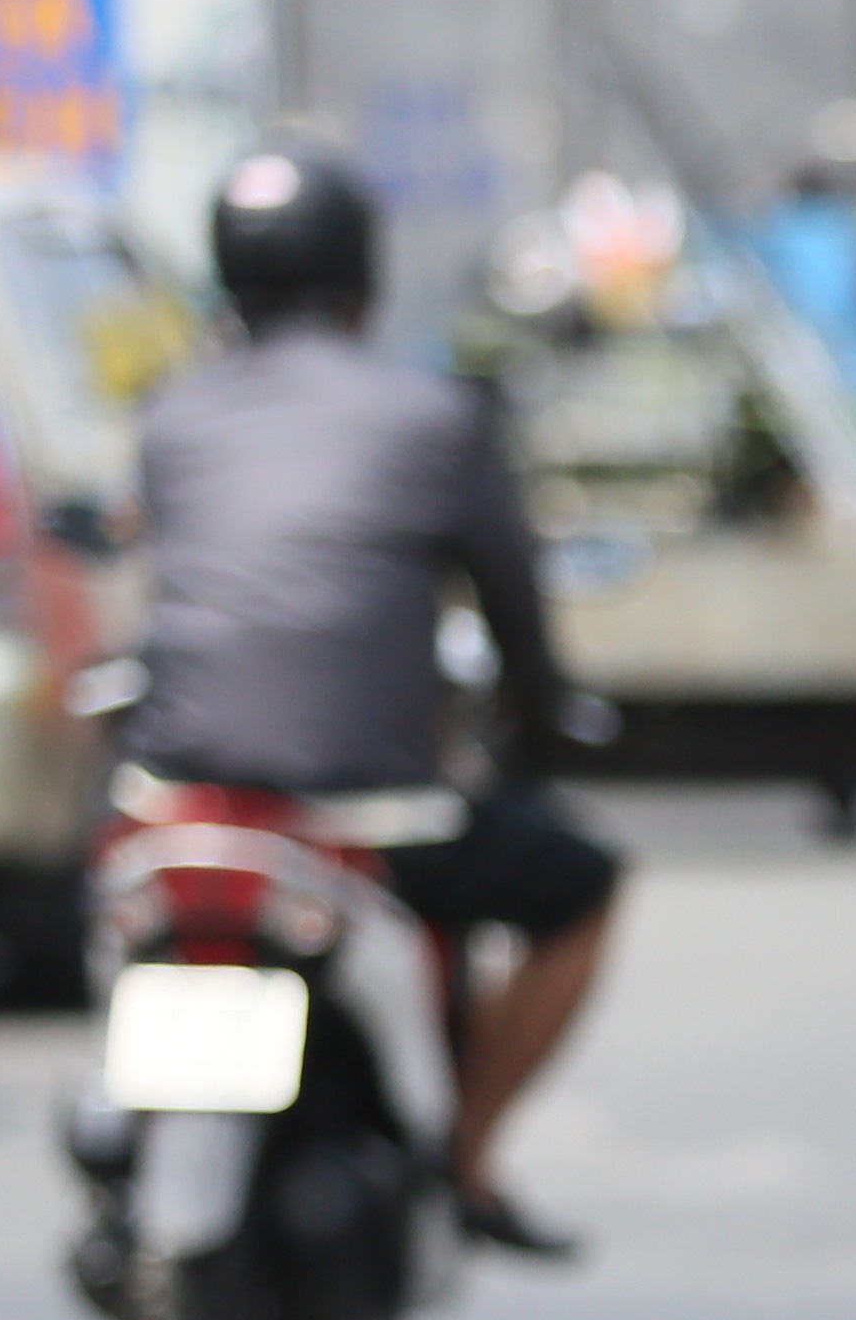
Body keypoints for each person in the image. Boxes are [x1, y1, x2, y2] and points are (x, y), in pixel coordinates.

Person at [132, 143, 618, 1259]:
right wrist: (547, 720)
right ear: (363, 275)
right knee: (583, 886)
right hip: (367, 823)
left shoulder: (170, 419)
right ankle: (471, 1155)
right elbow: (515, 609)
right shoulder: (432, 419)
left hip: (185, 809)